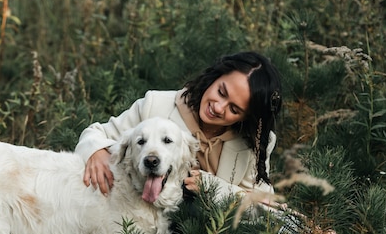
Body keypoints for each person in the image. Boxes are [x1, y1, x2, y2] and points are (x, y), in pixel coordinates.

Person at [75, 51, 283, 201]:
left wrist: (217, 190)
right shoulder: (155, 105)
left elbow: (263, 205)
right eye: (221, 92)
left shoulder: (253, 141)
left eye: (234, 109)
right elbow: (96, 133)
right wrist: (98, 151)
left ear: (247, 118)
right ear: (215, 77)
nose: (218, 108)